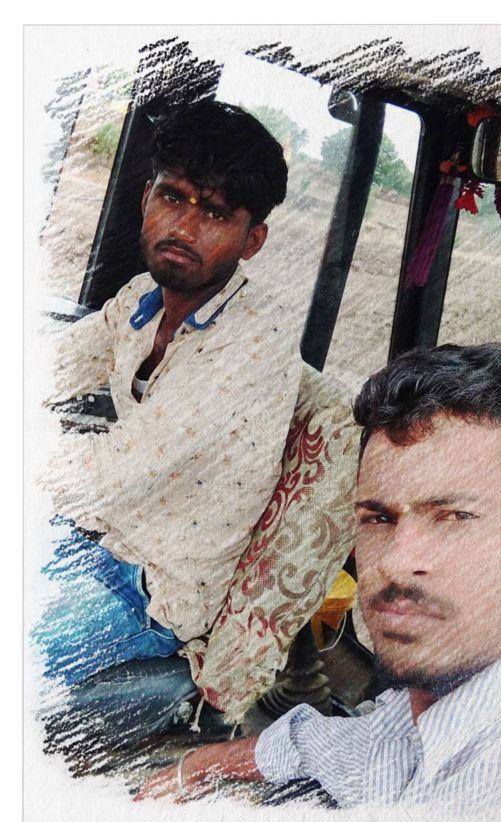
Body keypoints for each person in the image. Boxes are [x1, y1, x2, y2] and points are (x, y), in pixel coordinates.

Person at [135, 342, 501, 822]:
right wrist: (199, 767)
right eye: (379, 518)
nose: (397, 564)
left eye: (455, 517)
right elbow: (346, 745)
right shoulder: (443, 710)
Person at [39, 99, 303, 686]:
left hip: (150, 590)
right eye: (172, 197)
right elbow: (47, 368)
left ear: (252, 240)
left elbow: (111, 472)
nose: (183, 228)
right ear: (146, 198)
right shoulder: (142, 296)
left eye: (214, 212)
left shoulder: (255, 340)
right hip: (92, 535)